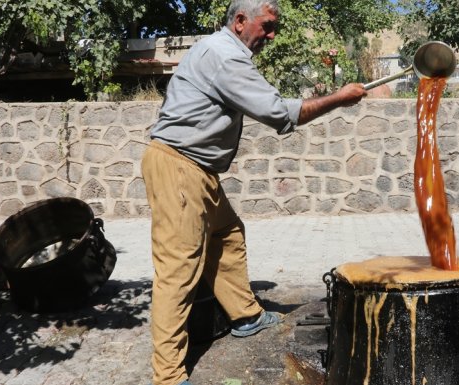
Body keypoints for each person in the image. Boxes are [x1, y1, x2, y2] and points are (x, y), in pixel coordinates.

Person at [140, 0, 367, 384]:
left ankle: (246, 316)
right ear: (241, 20)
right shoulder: (225, 56)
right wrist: (338, 99)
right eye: (267, 26)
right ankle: (168, 375)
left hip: (198, 169)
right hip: (179, 167)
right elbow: (278, 113)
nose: (272, 35)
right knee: (178, 271)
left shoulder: (222, 50)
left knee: (227, 236)